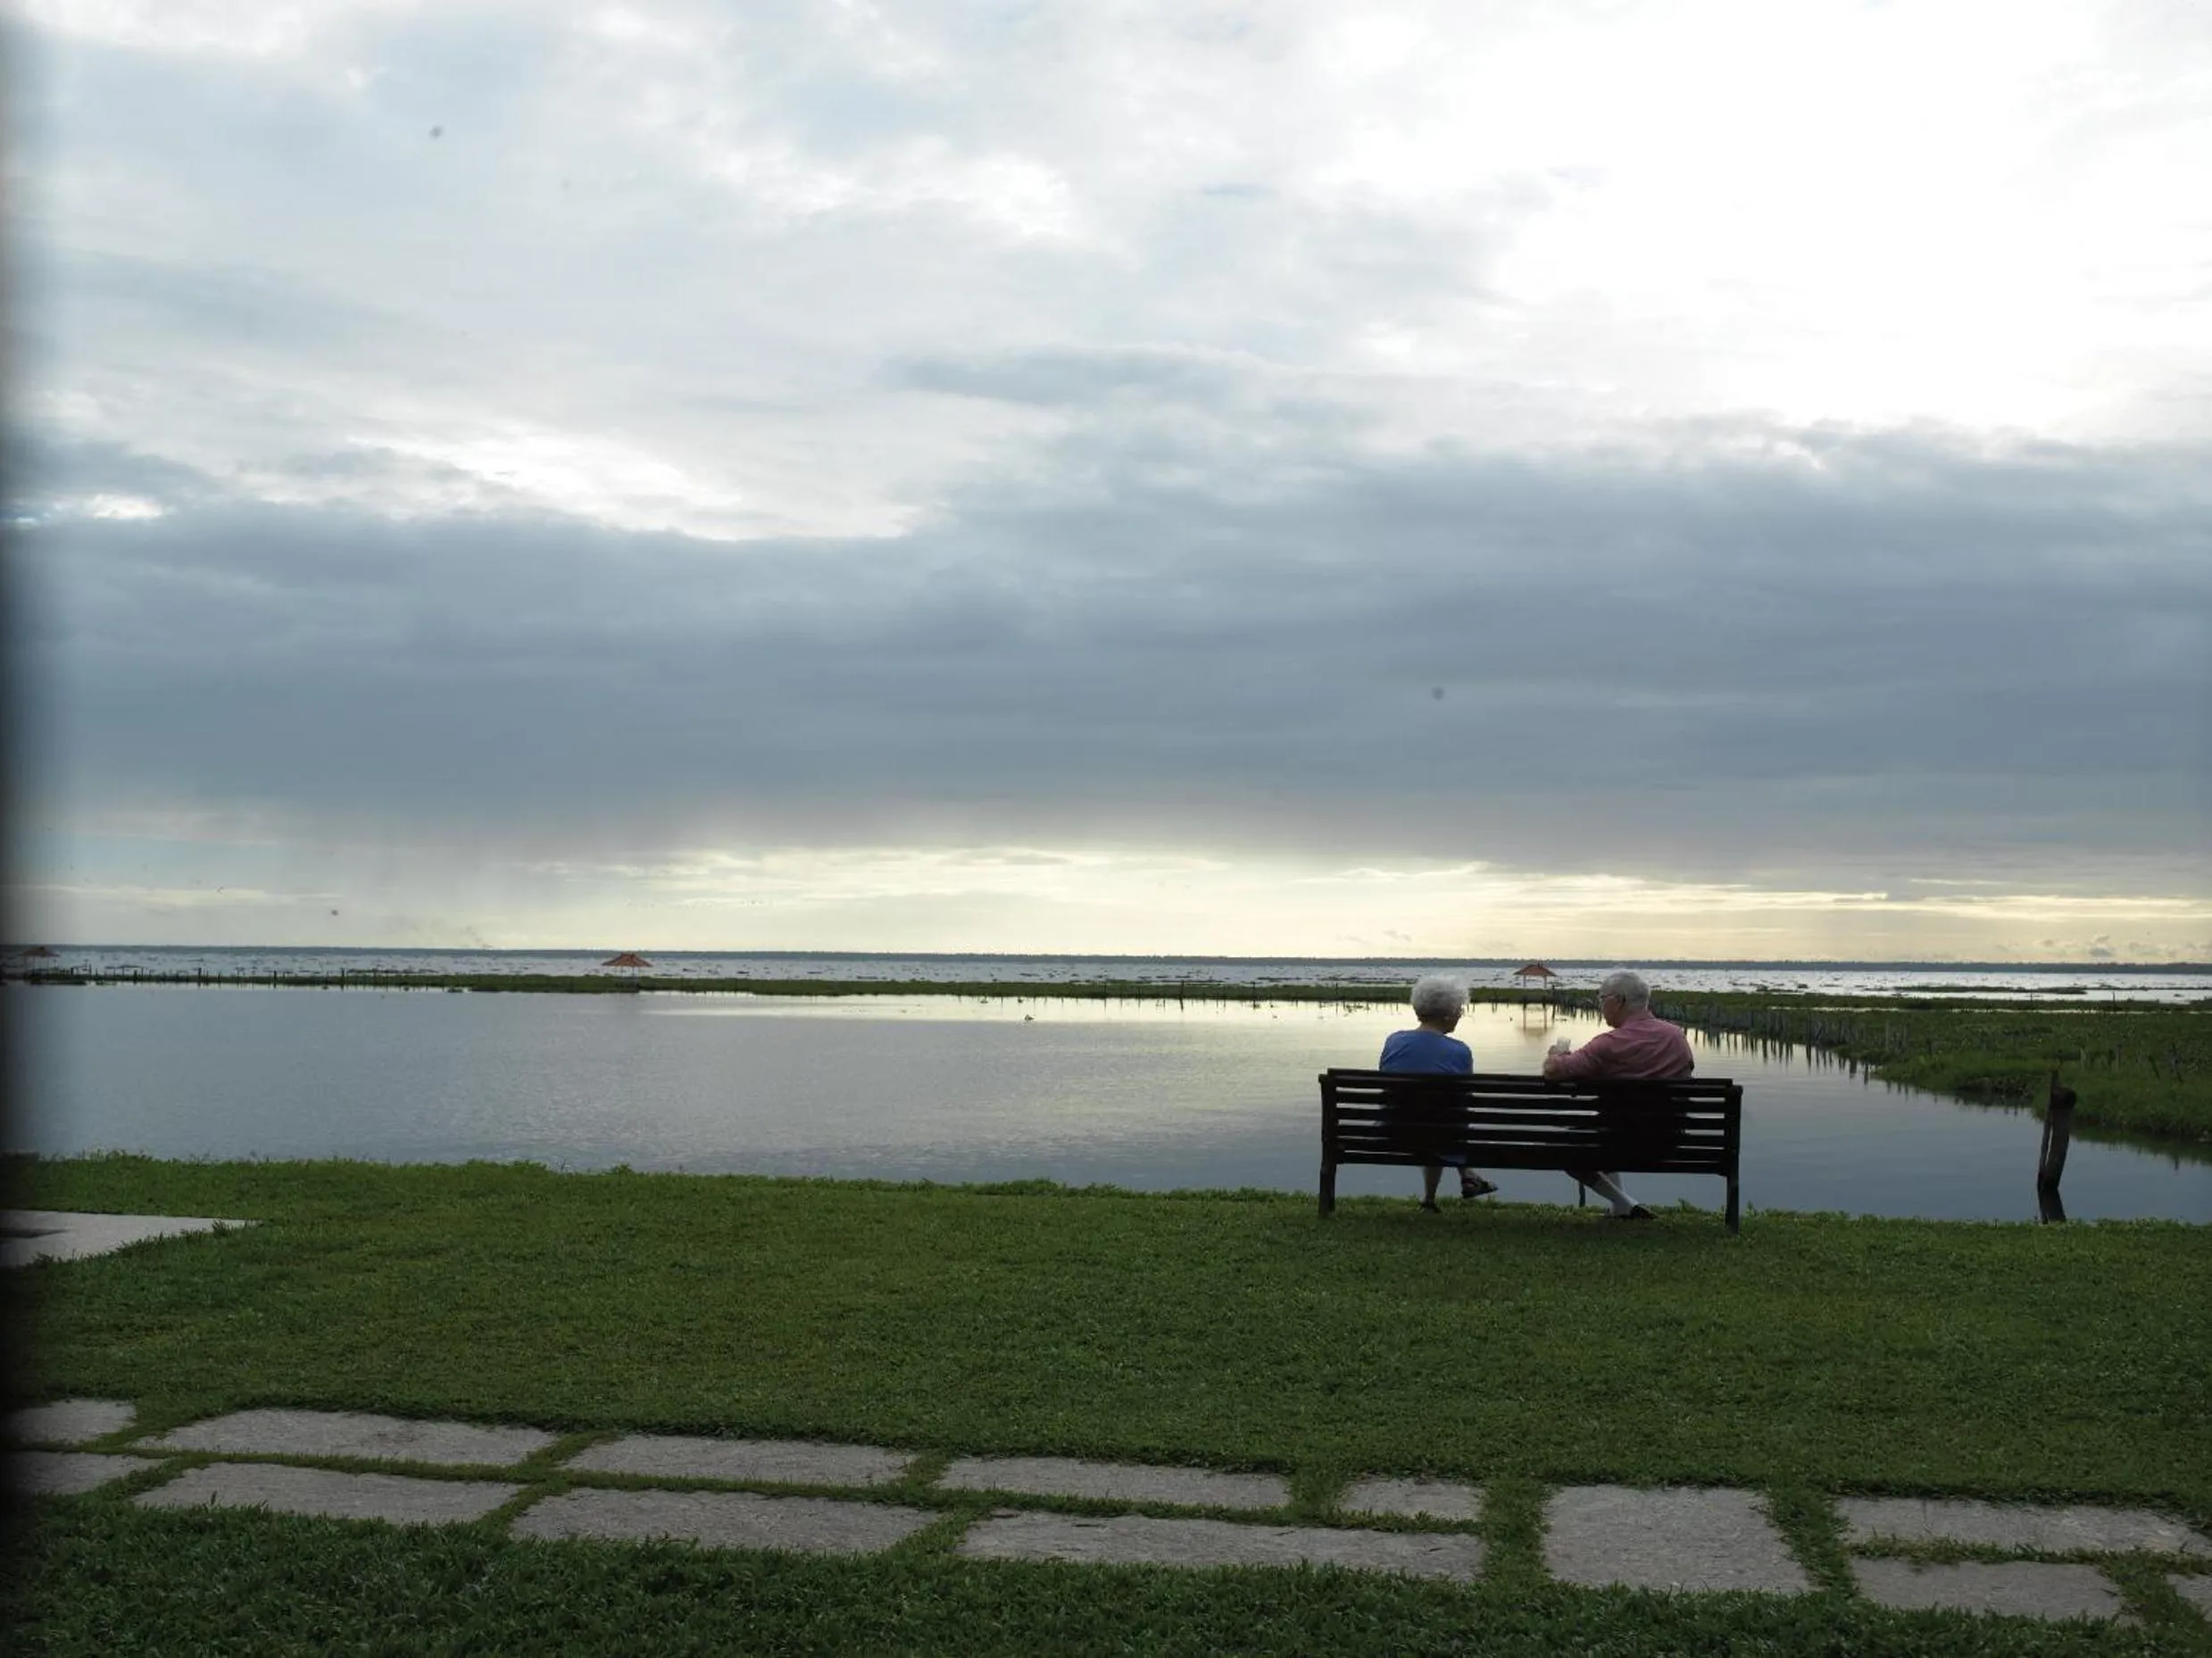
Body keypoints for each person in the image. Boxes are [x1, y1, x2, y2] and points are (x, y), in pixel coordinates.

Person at [1541, 968, 1693, 1221]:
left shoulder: (1608, 1045)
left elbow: (1553, 1071)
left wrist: (1556, 1055)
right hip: (1669, 1139)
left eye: (1602, 998)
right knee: (1611, 1125)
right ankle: (1622, 1208)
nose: (1600, 1004)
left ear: (1619, 1001)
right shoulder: (1676, 1037)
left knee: (1563, 1146)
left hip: (1616, 1140)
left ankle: (1625, 1203)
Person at [1378, 975, 1500, 1210]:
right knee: (1442, 1120)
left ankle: (1432, 1198)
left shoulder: (1394, 1041)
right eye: (1459, 1010)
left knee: (1432, 1116)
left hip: (1393, 1132)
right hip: (1442, 1136)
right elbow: (1464, 1099)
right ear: (1447, 1014)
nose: (1460, 1015)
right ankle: (1466, 1177)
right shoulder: (1460, 1051)